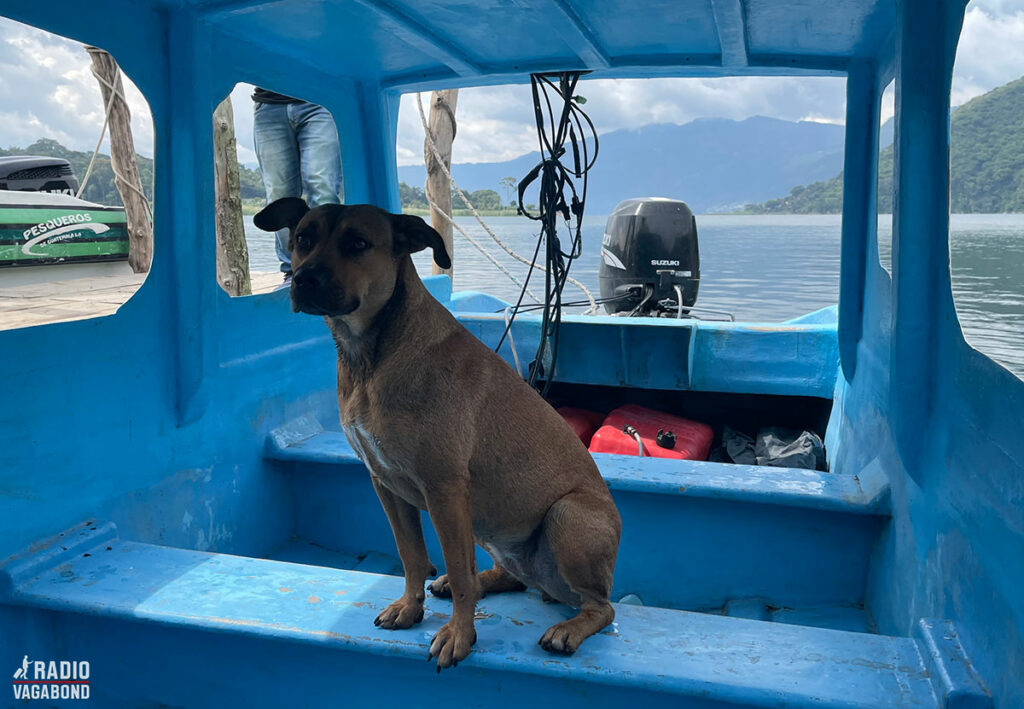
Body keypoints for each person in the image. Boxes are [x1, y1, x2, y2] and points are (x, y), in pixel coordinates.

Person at [252, 87, 343, 280]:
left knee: (322, 189)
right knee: (278, 195)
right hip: (269, 103)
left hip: (320, 100)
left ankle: (330, 269)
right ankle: (291, 271)